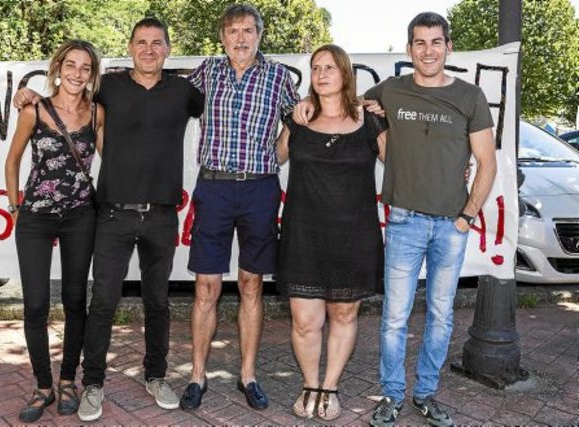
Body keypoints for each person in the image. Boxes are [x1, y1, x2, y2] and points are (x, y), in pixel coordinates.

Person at [296, 11, 497, 427]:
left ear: (448, 47)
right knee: (393, 318)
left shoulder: (470, 96)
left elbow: (487, 163)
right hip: (404, 222)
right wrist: (309, 102)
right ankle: (391, 395)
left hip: (451, 226)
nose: (428, 50)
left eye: (436, 42)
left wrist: (466, 217)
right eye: (420, 43)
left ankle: (425, 393)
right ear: (409, 49)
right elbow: (344, 101)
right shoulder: (390, 90)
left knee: (441, 316)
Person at [14, 18, 204, 422]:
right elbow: (68, 93)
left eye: (157, 43)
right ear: (130, 47)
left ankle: (156, 376)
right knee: (102, 302)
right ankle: (93, 383)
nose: (149, 49)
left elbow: (221, 102)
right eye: (141, 42)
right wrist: (27, 93)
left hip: (162, 215)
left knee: (157, 302)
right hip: (113, 214)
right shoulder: (109, 88)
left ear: (168, 49)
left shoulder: (185, 91)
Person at [178, 3, 300, 412]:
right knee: (206, 287)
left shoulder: (279, 76)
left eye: (248, 30)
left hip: (259, 190)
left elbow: (300, 119)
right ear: (222, 37)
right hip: (213, 188)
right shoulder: (207, 72)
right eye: (233, 31)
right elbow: (161, 94)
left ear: (259, 35)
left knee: (251, 284)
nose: (241, 38)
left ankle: (248, 375)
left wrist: (276, 155)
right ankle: (197, 376)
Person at [275, 44, 387, 421]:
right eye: (316, 68)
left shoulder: (370, 121)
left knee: (343, 314)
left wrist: (457, 167)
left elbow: (402, 161)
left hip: (354, 237)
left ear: (345, 74)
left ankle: (330, 387)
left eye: (330, 68)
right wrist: (290, 115)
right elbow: (274, 157)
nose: (322, 74)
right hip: (304, 236)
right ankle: (310, 384)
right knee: (305, 321)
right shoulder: (299, 120)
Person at [5, 39, 100, 423]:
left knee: (75, 301)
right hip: (36, 218)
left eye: (86, 67)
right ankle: (43, 385)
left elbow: (112, 160)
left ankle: (67, 381)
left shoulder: (98, 113)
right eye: (71, 65)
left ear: (92, 75)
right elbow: (12, 161)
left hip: (80, 217)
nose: (77, 73)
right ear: (58, 68)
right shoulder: (34, 109)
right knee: (36, 304)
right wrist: (15, 207)